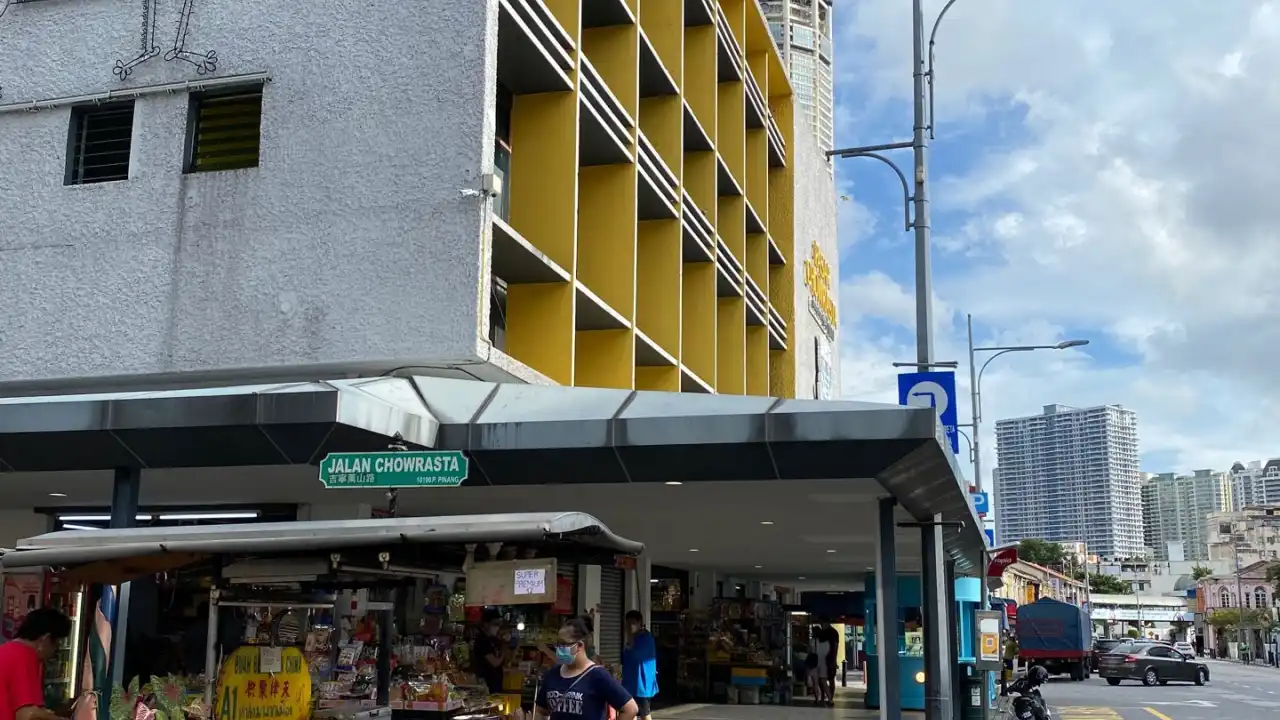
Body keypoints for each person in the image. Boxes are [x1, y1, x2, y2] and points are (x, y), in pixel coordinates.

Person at [535, 618, 638, 720]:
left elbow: (630, 709)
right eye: (558, 644)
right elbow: (541, 710)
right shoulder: (553, 674)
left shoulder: (598, 675)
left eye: (564, 644)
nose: (559, 648)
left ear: (579, 645)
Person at [0, 608, 72, 720]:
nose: (54, 652)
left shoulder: (6, 650)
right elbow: (27, 715)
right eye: (57, 645)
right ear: (46, 639)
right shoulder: (25, 656)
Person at [621, 611, 657, 720]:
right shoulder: (633, 639)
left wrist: (630, 640)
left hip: (642, 686)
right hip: (630, 684)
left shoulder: (646, 639)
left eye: (632, 623)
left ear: (639, 623)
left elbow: (637, 656)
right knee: (631, 712)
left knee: (645, 714)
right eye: (627, 623)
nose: (629, 626)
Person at [472, 611, 509, 693]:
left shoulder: (492, 640)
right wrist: (504, 647)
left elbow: (505, 660)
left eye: (499, 624)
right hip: (486, 685)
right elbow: (495, 662)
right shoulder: (481, 640)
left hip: (496, 684)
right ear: (486, 624)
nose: (498, 627)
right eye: (495, 624)